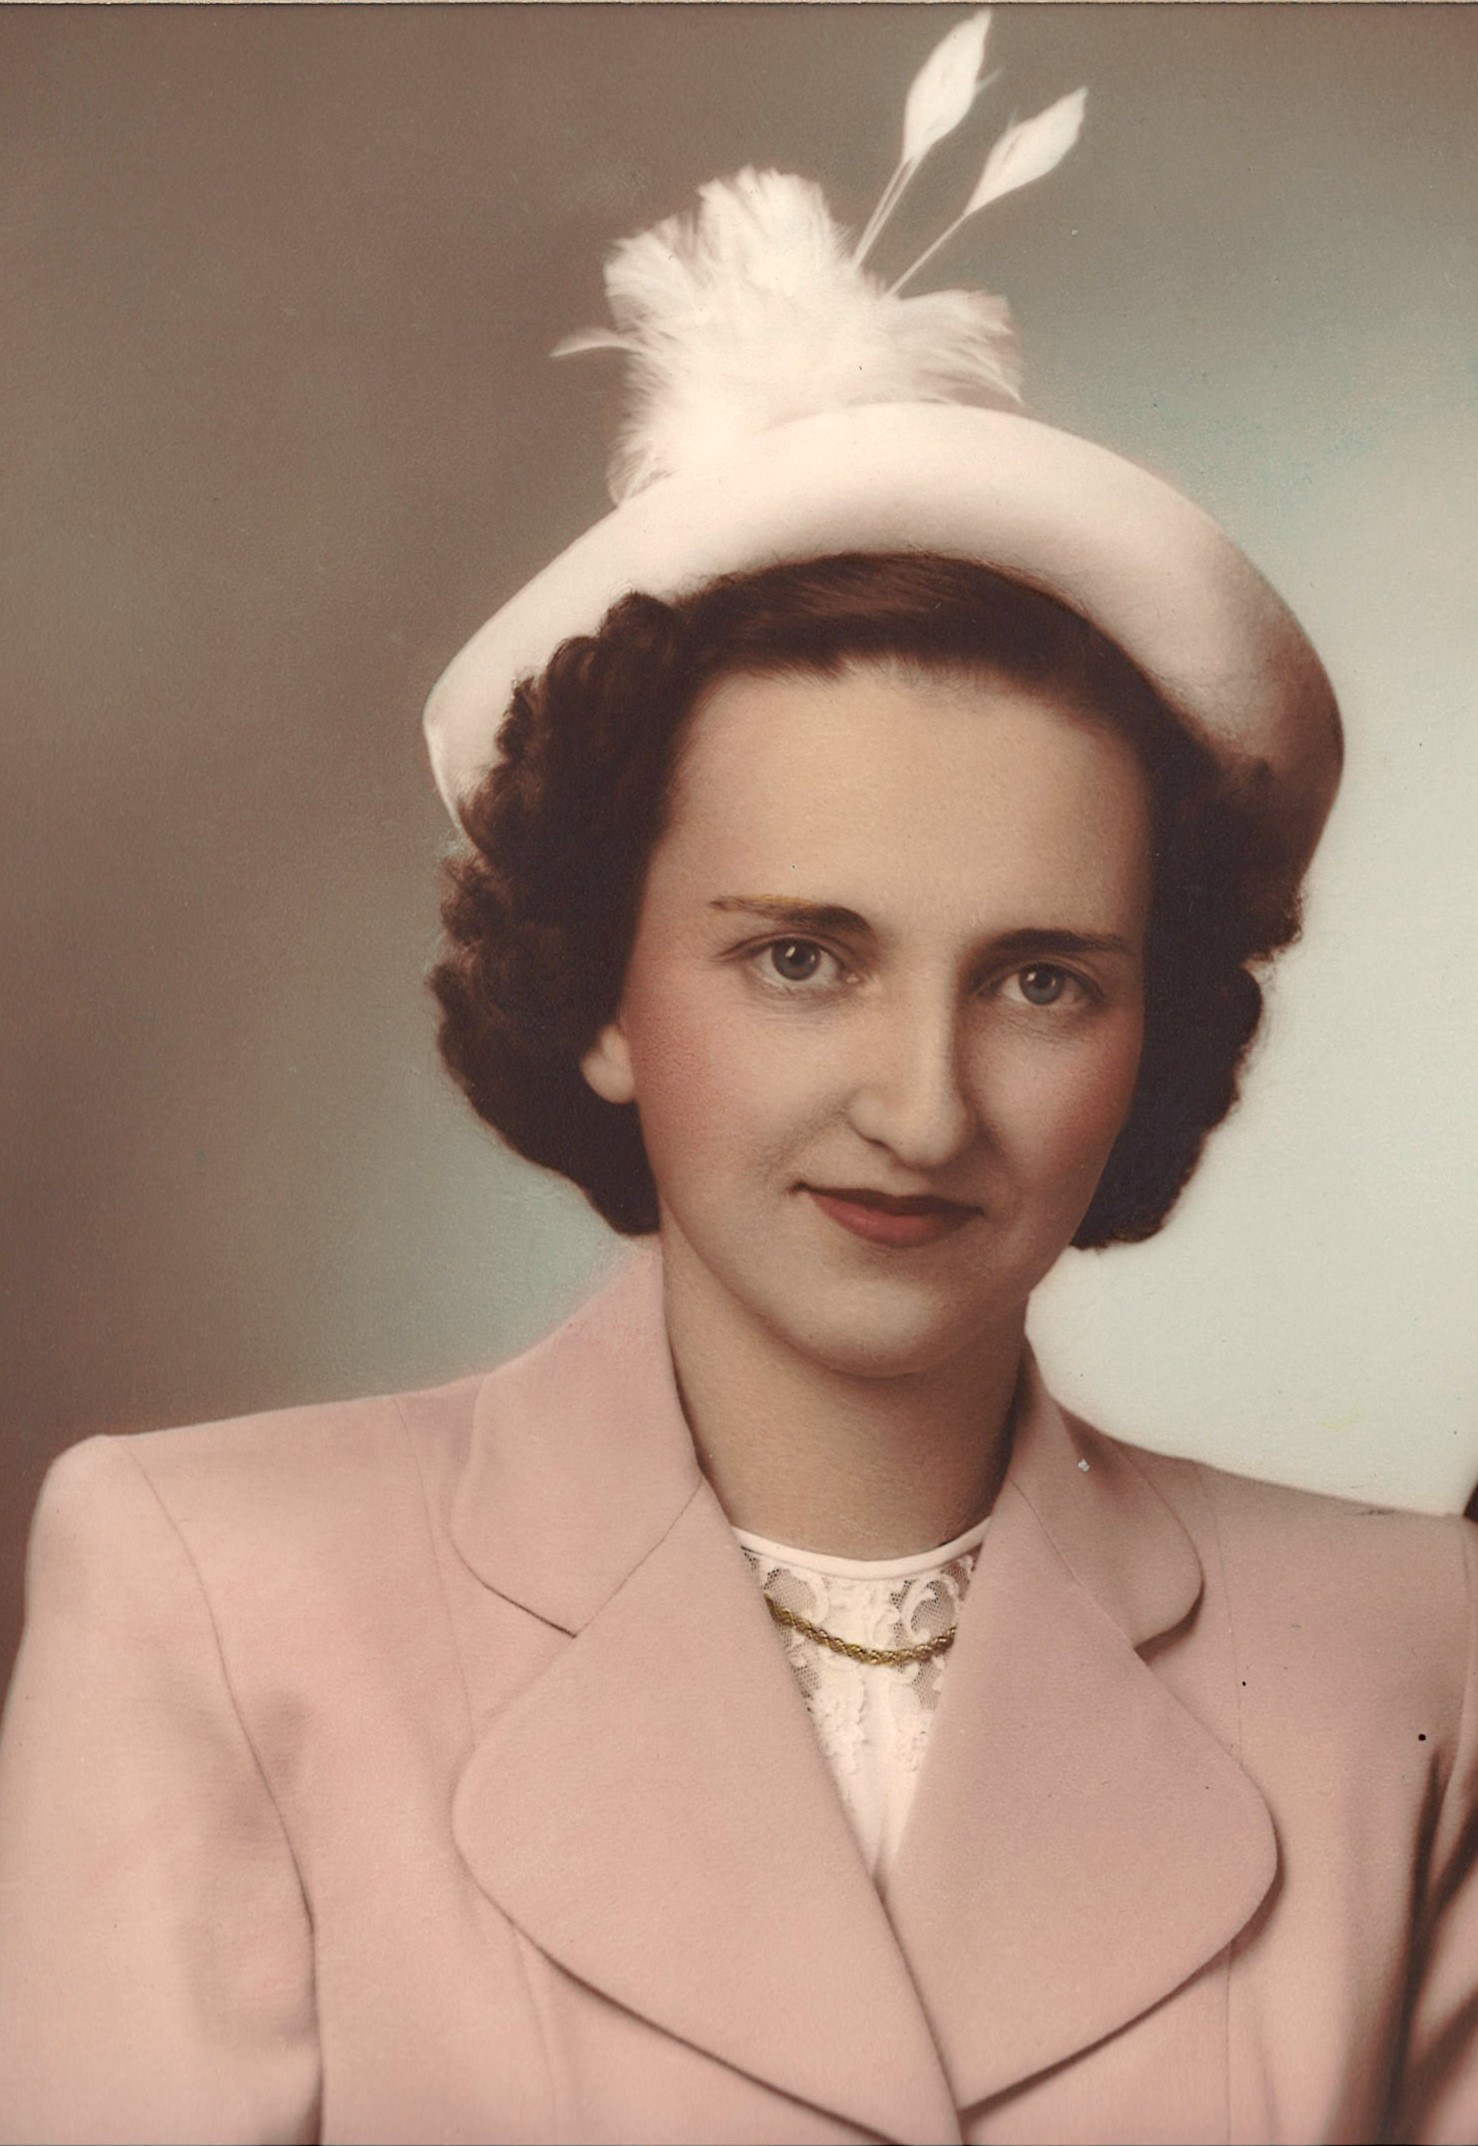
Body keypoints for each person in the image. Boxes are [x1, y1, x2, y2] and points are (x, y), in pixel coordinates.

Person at [1, 16, 1475, 2144]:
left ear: (1156, 1028)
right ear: (601, 987)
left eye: (1039, 979)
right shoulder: (212, 1592)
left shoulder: (1408, 1648)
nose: (922, 1105)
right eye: (802, 957)